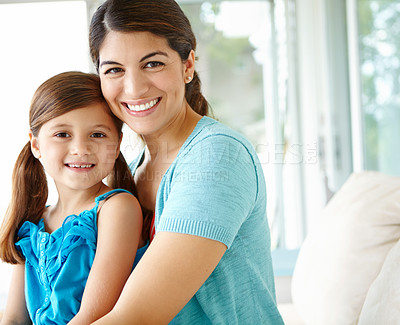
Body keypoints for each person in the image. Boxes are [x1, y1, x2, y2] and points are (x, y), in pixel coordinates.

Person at [89, 0, 284, 324]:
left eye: (152, 64)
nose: (134, 87)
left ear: (188, 65)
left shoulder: (218, 156)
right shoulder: (132, 165)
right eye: (114, 69)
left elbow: (136, 317)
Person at [0, 71, 149, 325]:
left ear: (117, 144)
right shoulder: (34, 224)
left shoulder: (116, 209)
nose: (81, 149)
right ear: (36, 145)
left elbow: (93, 316)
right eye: (62, 134)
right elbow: (14, 318)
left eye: (98, 135)